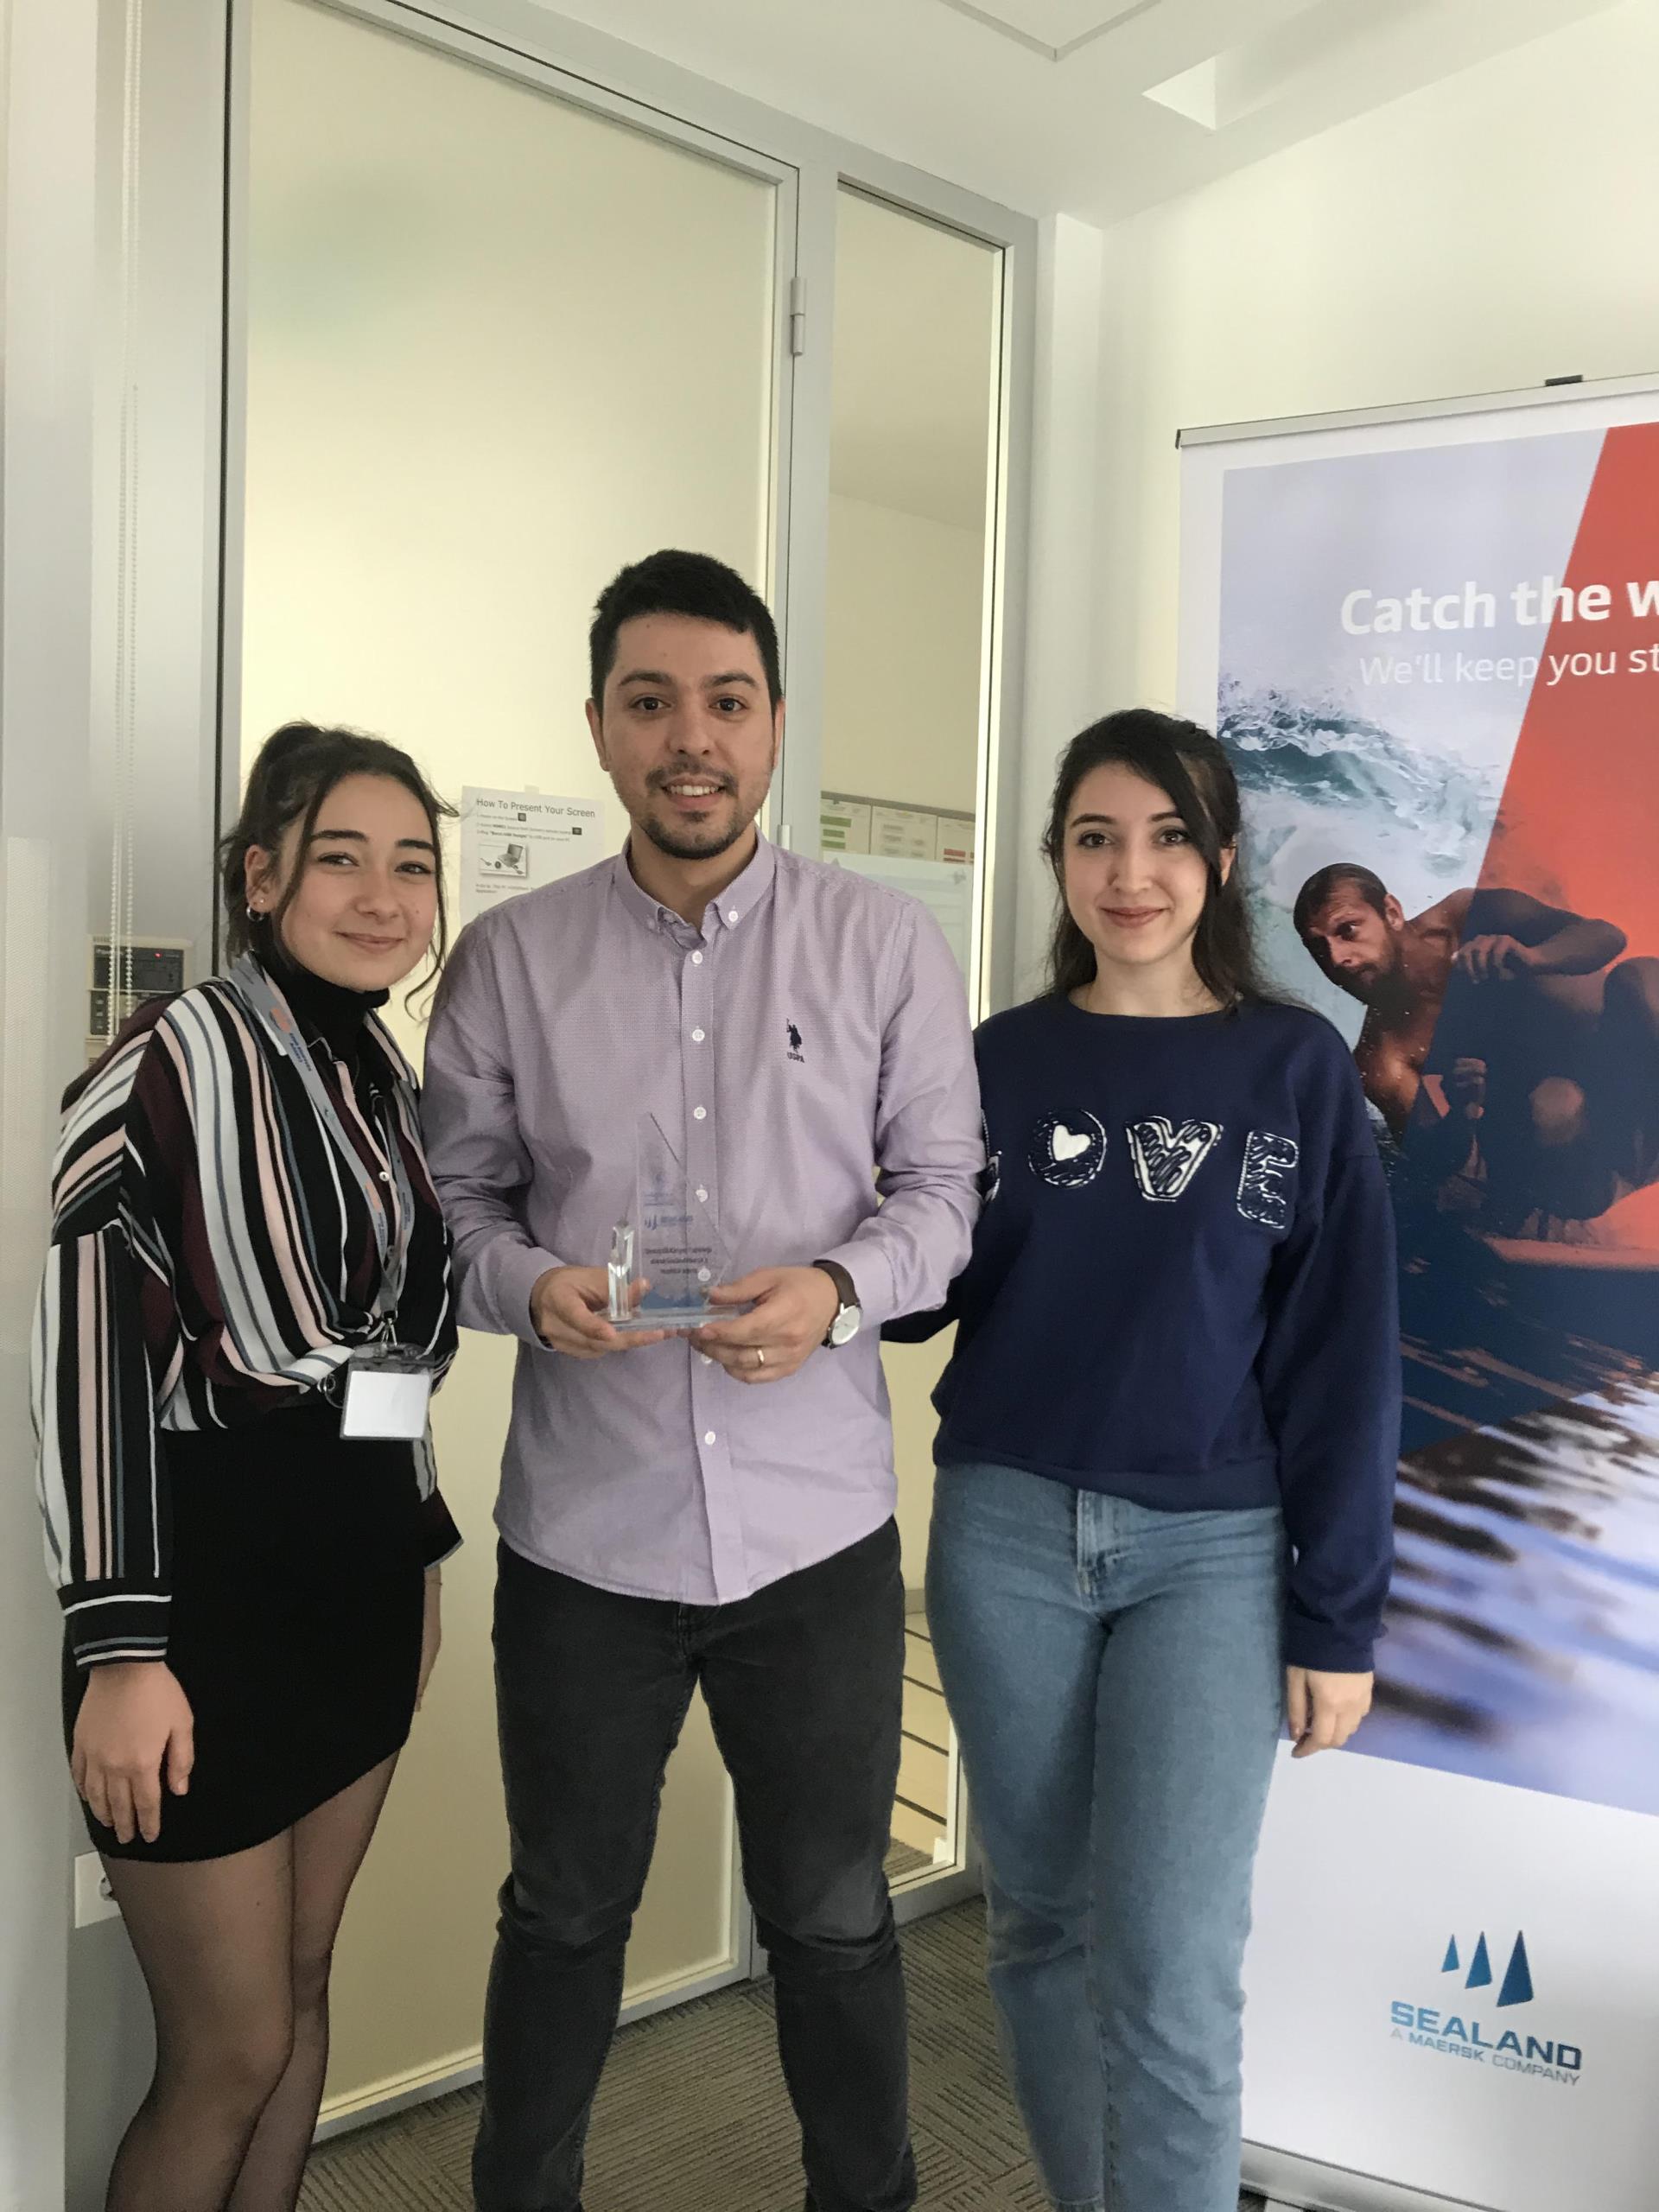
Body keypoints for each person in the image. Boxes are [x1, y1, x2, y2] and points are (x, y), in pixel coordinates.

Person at [421, 549, 982, 2212]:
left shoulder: (882, 946)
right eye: (652, 701)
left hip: (814, 1541)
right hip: (587, 1540)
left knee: (834, 1919)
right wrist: (532, 1290)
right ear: (601, 726)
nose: (693, 738)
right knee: (563, 1916)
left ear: (775, 724)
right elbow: (454, 1209)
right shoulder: (510, 959)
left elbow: (943, 1201)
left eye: (727, 702)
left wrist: (839, 1291)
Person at [887, 711, 1400, 2212]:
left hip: (1212, 1552)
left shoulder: (1296, 1068)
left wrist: (1339, 1618)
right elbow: (920, 1294)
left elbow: (1342, 1358)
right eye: (1097, 839)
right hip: (1003, 1533)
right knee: (1041, 1928)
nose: (1132, 873)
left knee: (1173, 1964)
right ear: (1058, 860)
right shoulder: (999, 1060)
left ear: (1222, 861)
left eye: (1170, 838)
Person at [35, 723, 461, 2212]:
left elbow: (388, 1356)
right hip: (200, 1614)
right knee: (228, 2049)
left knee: (305, 1984)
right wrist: (120, 1651)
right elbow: (89, 1356)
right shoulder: (171, 1056)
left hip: (356, 1596)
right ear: (260, 876)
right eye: (342, 858)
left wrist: (416, 1546)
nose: (383, 896)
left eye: (412, 864)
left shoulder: (382, 1078)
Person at [1294, 863, 1659, 1230]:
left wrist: (1535, 957)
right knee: (1554, 1106)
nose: (1337, 959)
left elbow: (1608, 937)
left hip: (1633, 1065)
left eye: (1348, 930)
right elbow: (1436, 1160)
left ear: (1391, 912)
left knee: (1641, 979)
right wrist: (1461, 1112)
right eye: (1318, 948)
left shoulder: (1467, 915)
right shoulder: (1381, 1057)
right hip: (1588, 1146)